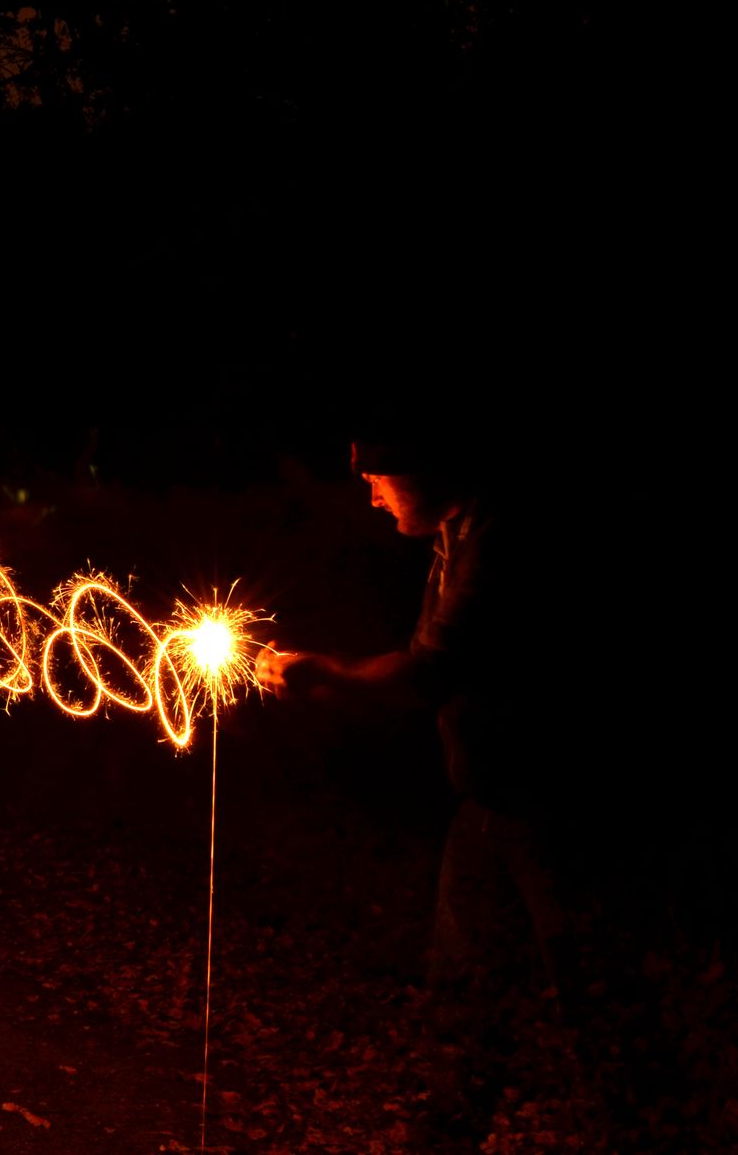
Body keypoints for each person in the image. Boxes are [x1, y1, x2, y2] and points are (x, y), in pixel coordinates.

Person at [256, 430, 570, 1132]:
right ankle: (448, 1134)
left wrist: (330, 674)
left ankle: (648, 1128)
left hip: (553, 819)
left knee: (597, 1002)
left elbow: (434, 667)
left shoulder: (500, 534)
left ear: (425, 463)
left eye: (378, 475)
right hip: (483, 806)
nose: (369, 493)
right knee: (462, 997)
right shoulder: (454, 533)